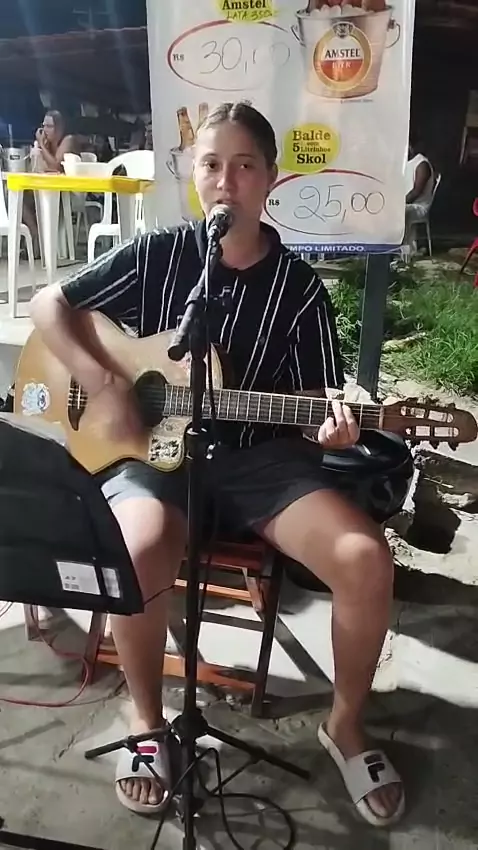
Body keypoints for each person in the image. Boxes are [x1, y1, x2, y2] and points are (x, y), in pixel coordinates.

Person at [29, 101, 404, 827]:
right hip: (152, 457)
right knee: (136, 550)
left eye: (244, 165)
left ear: (270, 179)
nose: (226, 181)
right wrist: (105, 382)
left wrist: (332, 433)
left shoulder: (300, 291)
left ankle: (345, 725)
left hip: (261, 464)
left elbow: (313, 403)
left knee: (365, 559)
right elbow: (50, 304)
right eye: (211, 164)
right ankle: (146, 720)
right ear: (194, 176)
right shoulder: (159, 255)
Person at [404, 137, 435, 257]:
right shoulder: (406, 163)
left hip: (420, 206)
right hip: (408, 204)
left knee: (400, 212)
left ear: (410, 146)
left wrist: (399, 203)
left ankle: (407, 250)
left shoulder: (422, 164)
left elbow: (417, 192)